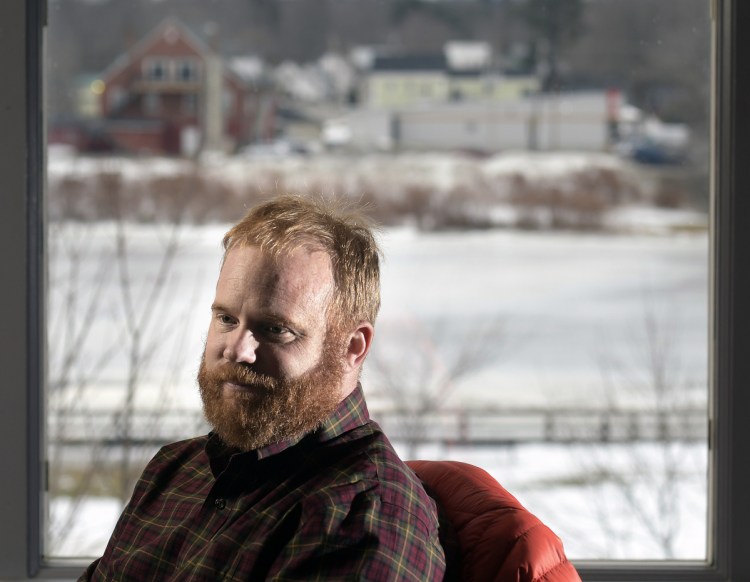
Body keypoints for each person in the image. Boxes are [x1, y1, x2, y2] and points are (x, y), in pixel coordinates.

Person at [79, 195, 446, 581]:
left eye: (275, 329)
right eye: (226, 317)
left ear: (352, 347)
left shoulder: (362, 516)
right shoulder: (174, 471)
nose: (237, 349)